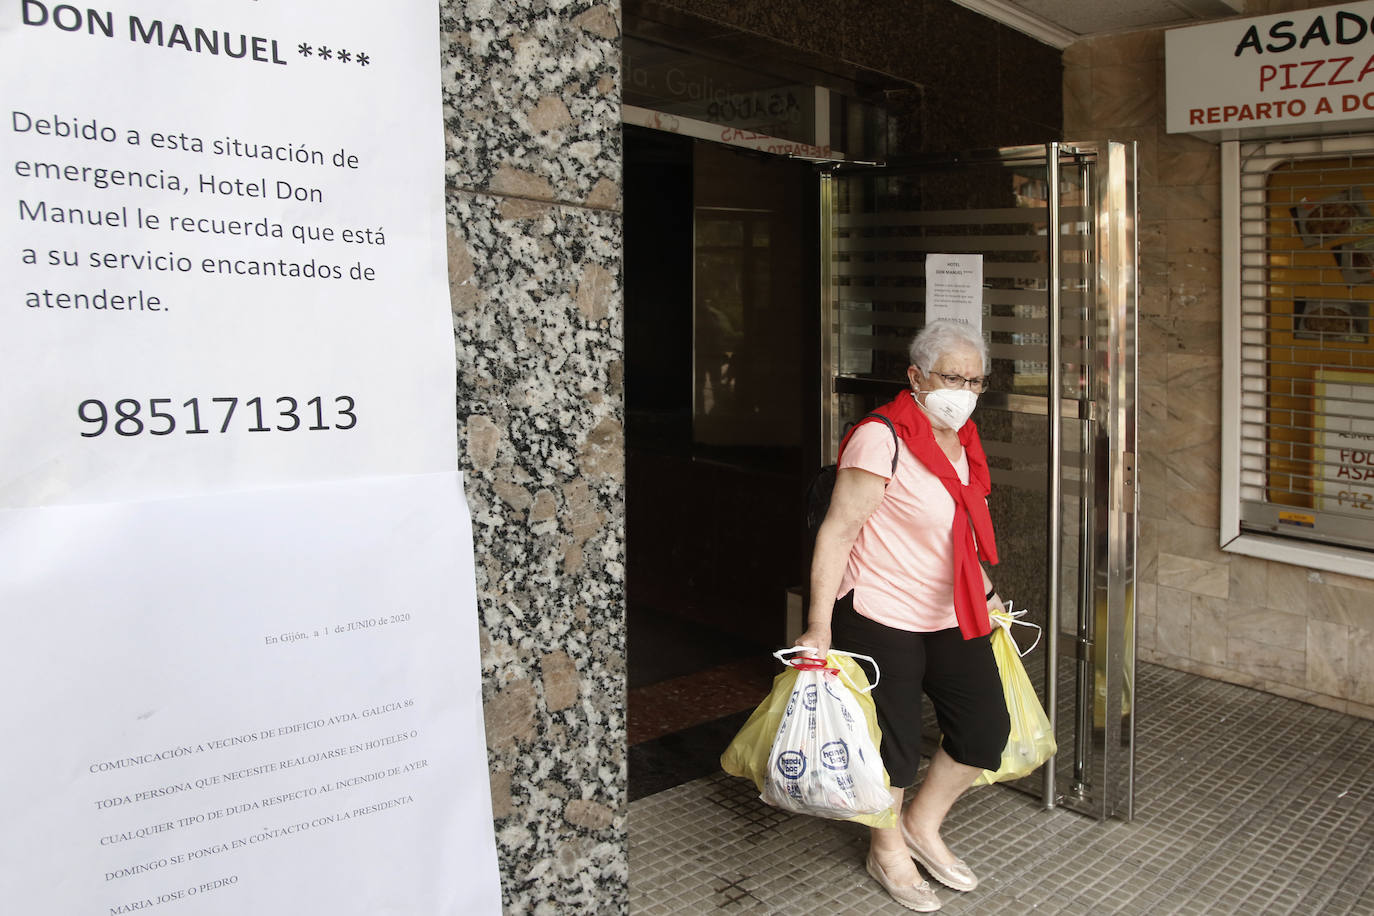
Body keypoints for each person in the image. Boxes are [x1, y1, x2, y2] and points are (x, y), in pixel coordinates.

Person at [796, 319, 1010, 912]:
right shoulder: (880, 436)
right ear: (915, 376)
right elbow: (838, 533)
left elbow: (956, 532)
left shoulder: (962, 437)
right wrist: (819, 626)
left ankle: (921, 824)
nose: (964, 390)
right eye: (952, 376)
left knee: (985, 729)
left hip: (950, 608)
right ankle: (886, 850)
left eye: (976, 380)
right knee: (892, 748)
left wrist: (988, 593)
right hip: (880, 609)